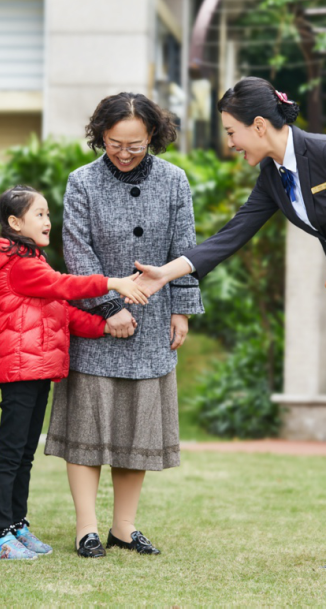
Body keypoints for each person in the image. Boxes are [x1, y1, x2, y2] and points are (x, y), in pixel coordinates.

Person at [134, 77, 326, 572]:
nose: (230, 143)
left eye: (232, 132)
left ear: (259, 125)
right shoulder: (274, 177)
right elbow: (231, 235)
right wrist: (165, 274)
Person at [44, 93, 205, 558]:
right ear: (101, 135)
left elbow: (185, 248)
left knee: (139, 427)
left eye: (135, 144)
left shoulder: (175, 181)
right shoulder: (82, 182)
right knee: (88, 427)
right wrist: (107, 306)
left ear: (152, 136)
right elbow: (76, 250)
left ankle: (124, 527)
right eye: (115, 143)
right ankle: (86, 528)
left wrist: (181, 309)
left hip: (154, 322)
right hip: (96, 323)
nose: (125, 153)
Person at [0, 186, 149, 561]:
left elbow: (63, 312)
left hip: (38, 370)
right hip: (20, 369)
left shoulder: (33, 261)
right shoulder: (20, 265)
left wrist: (104, 327)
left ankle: (16, 526)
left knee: (24, 454)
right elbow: (65, 286)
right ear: (14, 222)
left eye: (47, 213)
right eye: (39, 214)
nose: (47, 221)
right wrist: (112, 283)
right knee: (10, 453)